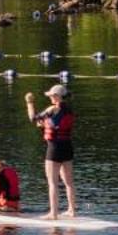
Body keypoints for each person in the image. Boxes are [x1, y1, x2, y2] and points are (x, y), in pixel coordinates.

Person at [26, 83, 76, 218]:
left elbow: (33, 118)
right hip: (67, 147)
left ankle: (53, 213)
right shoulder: (69, 110)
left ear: (57, 96)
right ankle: (72, 210)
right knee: (69, 182)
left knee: (52, 182)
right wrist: (45, 124)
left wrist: (29, 103)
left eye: (52, 96)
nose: (50, 98)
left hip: (54, 149)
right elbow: (56, 125)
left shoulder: (52, 109)